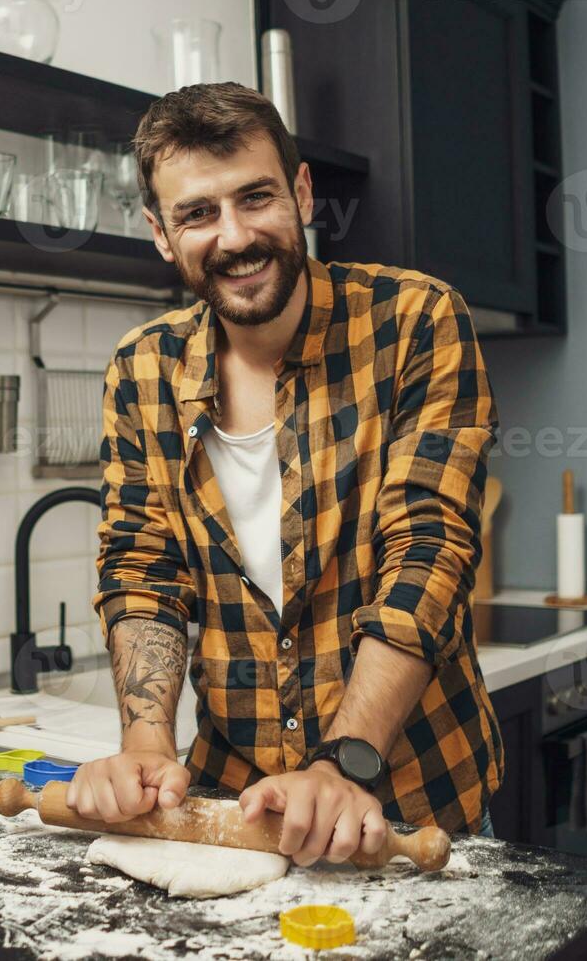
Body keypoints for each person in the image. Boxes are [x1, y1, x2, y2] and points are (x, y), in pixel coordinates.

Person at [67, 82, 502, 865]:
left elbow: (427, 552)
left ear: (301, 193)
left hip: (410, 808)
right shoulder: (142, 371)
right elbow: (142, 569)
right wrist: (144, 741)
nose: (234, 237)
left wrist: (343, 764)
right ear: (161, 234)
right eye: (197, 213)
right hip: (232, 812)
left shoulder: (416, 322)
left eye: (256, 197)